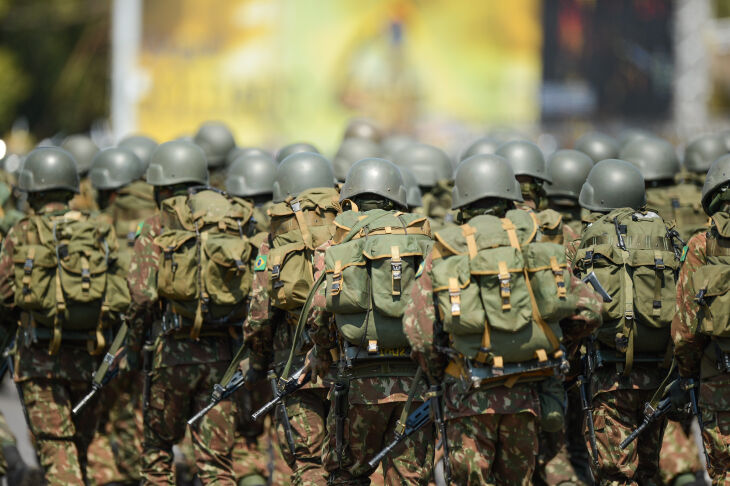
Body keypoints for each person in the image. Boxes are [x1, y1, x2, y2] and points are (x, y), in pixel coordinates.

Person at [402, 153, 602, 485]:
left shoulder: (445, 248)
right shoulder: (533, 241)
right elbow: (590, 310)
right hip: (527, 396)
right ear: (511, 196)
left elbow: (418, 331)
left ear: (462, 202)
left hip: (467, 395)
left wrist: (441, 374)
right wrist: (552, 342)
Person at [0, 147, 129, 485]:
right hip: (89, 361)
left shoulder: (22, 232)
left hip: (39, 364)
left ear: (32, 191)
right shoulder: (98, 230)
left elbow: (4, 295)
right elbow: (120, 293)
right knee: (79, 451)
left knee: (59, 454)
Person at [307, 157, 435, 485]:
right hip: (415, 382)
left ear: (350, 198)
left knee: (346, 474)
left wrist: (323, 356)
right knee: (409, 478)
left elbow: (319, 312)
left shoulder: (338, 242)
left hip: (359, 382)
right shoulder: (425, 239)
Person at [126, 141, 241, 484]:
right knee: (216, 464)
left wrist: (133, 348)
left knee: (157, 455)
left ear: (161, 185)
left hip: (171, 356)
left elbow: (142, 297)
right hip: (221, 357)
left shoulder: (155, 225)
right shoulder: (224, 217)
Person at [574, 159, 681, 484]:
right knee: (650, 472)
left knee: (616, 474)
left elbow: (574, 311)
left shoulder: (586, 242)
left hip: (610, 379)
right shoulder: (669, 236)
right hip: (659, 378)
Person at [242, 151, 338, 485]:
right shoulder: (348, 223)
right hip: (347, 364)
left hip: (294, 368)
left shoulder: (279, 234)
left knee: (308, 462)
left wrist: (257, 360)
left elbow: (259, 313)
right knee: (351, 465)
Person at [672, 153, 730, 484]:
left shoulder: (701, 244)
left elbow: (685, 330)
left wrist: (688, 375)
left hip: (719, 380)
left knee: (724, 473)